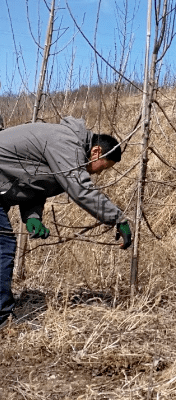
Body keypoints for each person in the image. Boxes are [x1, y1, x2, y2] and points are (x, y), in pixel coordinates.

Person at [0, 117, 132, 330]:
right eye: (103, 167)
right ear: (96, 152)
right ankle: (2, 319)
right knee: (3, 248)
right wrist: (119, 219)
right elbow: (81, 190)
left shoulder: (66, 146)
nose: (99, 173)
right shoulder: (65, 143)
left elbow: (33, 181)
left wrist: (33, 217)